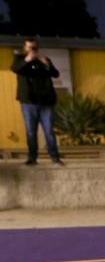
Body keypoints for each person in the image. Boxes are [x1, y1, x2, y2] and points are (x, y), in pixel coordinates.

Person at [10, 37, 63, 166]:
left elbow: (56, 74)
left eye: (35, 47)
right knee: (31, 132)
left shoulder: (44, 60)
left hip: (46, 102)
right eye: (29, 47)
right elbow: (15, 68)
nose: (32, 50)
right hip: (28, 102)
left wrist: (46, 63)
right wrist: (28, 59)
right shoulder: (20, 59)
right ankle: (32, 158)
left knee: (49, 131)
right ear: (25, 48)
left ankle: (55, 157)